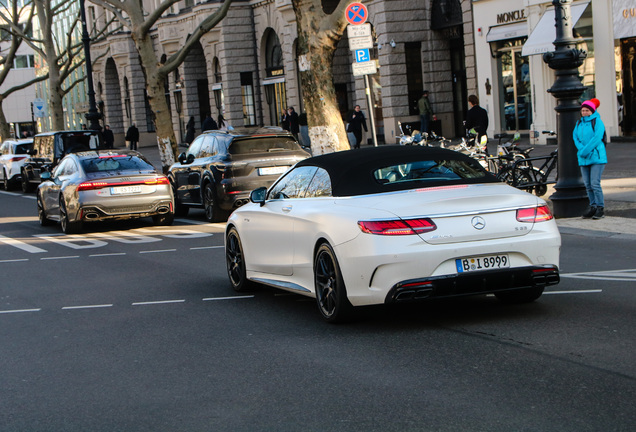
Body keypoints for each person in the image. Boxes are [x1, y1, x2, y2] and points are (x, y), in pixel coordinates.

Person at [573, 98, 607, 220]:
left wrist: (585, 150)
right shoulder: (579, 123)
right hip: (584, 158)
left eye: (587, 110)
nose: (585, 112)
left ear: (592, 111)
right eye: (583, 110)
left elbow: (597, 138)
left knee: (595, 184)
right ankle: (593, 206)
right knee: (588, 185)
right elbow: (575, 137)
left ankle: (600, 208)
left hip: (596, 157)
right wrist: (582, 150)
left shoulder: (597, 121)